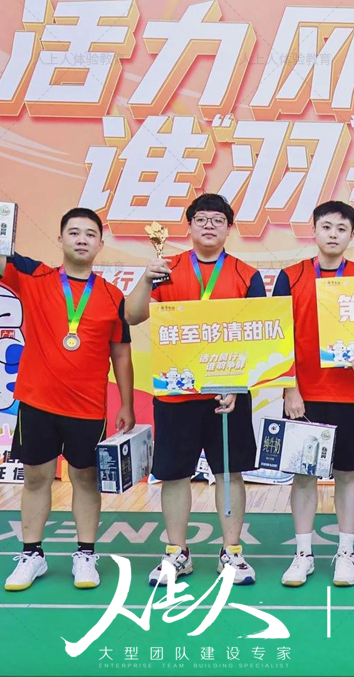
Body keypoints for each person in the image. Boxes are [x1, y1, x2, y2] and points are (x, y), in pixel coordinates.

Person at [0, 180, 135, 593]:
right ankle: (32, 554)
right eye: (74, 232)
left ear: (100, 244)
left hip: (88, 407)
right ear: (60, 239)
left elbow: (122, 355)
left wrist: (126, 404)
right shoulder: (34, 277)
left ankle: (85, 554)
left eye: (90, 234)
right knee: (36, 478)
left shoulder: (114, 297)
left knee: (85, 479)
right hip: (37, 402)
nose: (81, 239)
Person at [124, 193, 265, 587]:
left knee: (229, 473)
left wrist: (238, 384)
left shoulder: (246, 275)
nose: (209, 225)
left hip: (227, 393)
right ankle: (176, 552)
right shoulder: (166, 270)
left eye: (217, 220)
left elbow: (257, 336)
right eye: (201, 219)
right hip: (176, 392)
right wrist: (146, 279)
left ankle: (232, 551)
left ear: (229, 228)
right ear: (189, 226)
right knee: (175, 475)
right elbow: (132, 315)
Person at [273, 201, 354, 587]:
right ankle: (303, 554)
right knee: (303, 475)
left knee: (347, 474)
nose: (333, 234)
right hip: (303, 394)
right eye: (327, 227)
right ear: (314, 230)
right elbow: (280, 338)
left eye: (341, 228)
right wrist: (290, 389)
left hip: (347, 394)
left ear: (351, 235)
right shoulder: (290, 277)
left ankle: (346, 553)